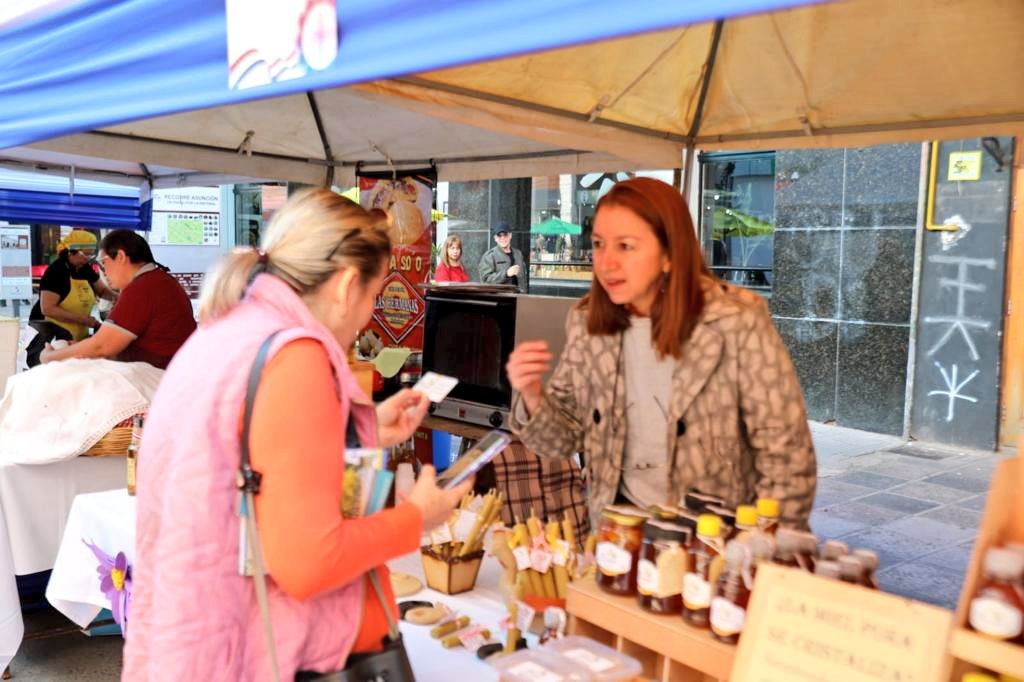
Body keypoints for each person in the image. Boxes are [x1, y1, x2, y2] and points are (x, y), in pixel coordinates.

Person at [123, 189, 473, 679]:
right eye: (374, 297)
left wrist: (365, 427)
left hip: (199, 643)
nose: (368, 316)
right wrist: (419, 517)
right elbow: (309, 562)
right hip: (258, 653)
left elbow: (249, 462)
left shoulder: (228, 333)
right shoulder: (295, 356)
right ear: (348, 285)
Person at [506, 178, 816, 529]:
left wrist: (766, 550)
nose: (606, 262)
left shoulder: (734, 320)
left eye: (625, 246)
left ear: (670, 253)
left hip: (715, 545)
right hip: (619, 538)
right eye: (598, 244)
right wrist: (532, 393)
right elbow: (562, 440)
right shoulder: (588, 322)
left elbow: (786, 454)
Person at [39, 230, 196, 369]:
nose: (104, 271)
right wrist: (81, 348)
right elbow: (108, 344)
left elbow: (102, 346)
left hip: (160, 377)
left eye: (103, 262)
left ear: (120, 256)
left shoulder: (143, 287)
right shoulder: (159, 280)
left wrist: (48, 357)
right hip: (166, 371)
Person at [25, 229, 117, 367]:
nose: (89, 258)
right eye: (86, 254)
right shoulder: (56, 271)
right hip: (51, 337)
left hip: (77, 333)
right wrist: (82, 319)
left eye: (92, 254)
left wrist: (120, 299)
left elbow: (102, 290)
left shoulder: (85, 268)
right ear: (70, 251)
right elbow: (48, 308)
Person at [478, 221, 527, 293]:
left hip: (519, 298)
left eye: (505, 235)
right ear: (495, 238)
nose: (503, 238)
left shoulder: (518, 254)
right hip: (500, 300)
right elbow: (486, 280)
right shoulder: (490, 256)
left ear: (510, 236)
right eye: (499, 236)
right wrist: (506, 274)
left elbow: (523, 278)